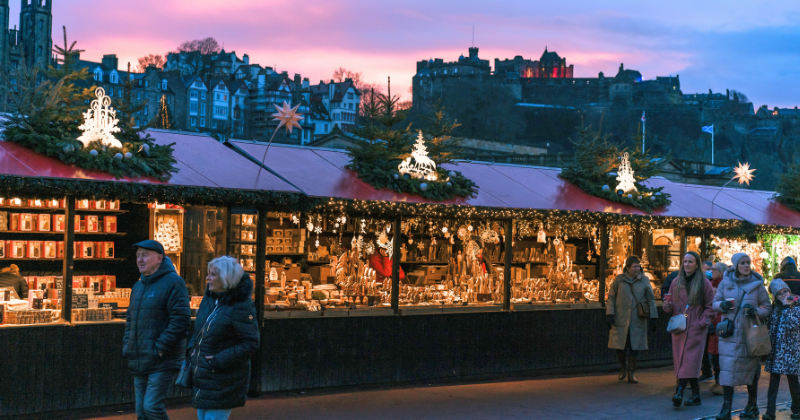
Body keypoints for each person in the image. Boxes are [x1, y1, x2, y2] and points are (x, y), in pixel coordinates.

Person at [123, 240, 191, 420]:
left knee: (151, 406)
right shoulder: (138, 286)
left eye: (145, 255)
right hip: (140, 357)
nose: (139, 260)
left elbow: (181, 321)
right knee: (141, 411)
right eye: (138, 256)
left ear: (160, 258)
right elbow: (130, 320)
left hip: (162, 359)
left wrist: (160, 348)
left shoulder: (174, 282)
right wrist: (128, 346)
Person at [187, 256, 260, 420]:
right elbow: (199, 330)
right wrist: (191, 350)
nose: (207, 278)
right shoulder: (210, 299)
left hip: (223, 377)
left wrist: (218, 360)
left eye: (212, 274)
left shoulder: (241, 305)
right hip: (205, 374)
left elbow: (250, 343)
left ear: (225, 278)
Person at [712, 252, 772, 420]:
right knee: (727, 372)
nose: (746, 266)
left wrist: (756, 311)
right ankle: (726, 408)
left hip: (749, 335)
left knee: (751, 372)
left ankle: (752, 405)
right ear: (736, 266)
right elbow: (714, 303)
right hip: (729, 336)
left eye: (748, 263)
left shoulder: (757, 285)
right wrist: (721, 305)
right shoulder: (725, 283)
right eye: (743, 263)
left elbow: (767, 306)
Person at [663, 251, 716, 407]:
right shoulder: (676, 282)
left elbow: (710, 306)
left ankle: (679, 391)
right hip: (679, 327)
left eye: (690, 262)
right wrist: (667, 306)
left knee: (689, 361)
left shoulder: (704, 283)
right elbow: (671, 303)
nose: (687, 264)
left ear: (697, 264)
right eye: (685, 261)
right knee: (684, 361)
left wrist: (701, 323)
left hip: (695, 328)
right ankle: (695, 395)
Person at [607, 256, 658, 384]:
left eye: (638, 266)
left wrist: (653, 317)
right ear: (628, 268)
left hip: (637, 319)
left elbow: (651, 299)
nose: (637, 268)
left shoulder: (645, 280)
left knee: (634, 347)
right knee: (620, 346)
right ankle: (623, 367)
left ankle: (631, 372)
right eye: (634, 266)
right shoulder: (619, 280)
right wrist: (610, 313)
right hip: (621, 318)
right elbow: (611, 297)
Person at [763, 278, 800, 420]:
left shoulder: (796, 307)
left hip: (791, 352)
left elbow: (793, 325)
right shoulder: (774, 310)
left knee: (793, 382)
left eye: (785, 291)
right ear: (774, 296)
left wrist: (786, 308)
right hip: (776, 352)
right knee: (773, 384)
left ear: (790, 291)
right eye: (779, 293)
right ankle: (770, 412)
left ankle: (796, 409)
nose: (784, 295)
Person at [708, 262, 728, 396]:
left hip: (721, 323)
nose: (711, 271)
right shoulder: (710, 284)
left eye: (714, 269)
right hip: (712, 323)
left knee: (721, 355)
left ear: (721, 272)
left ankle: (722, 383)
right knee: (714, 355)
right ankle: (717, 381)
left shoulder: (725, 285)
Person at [699, 260, 716, 382]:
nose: (710, 272)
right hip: (700, 321)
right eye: (707, 269)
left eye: (712, 269)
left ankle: (708, 371)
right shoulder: (700, 283)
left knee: (707, 349)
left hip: (709, 321)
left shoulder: (713, 284)